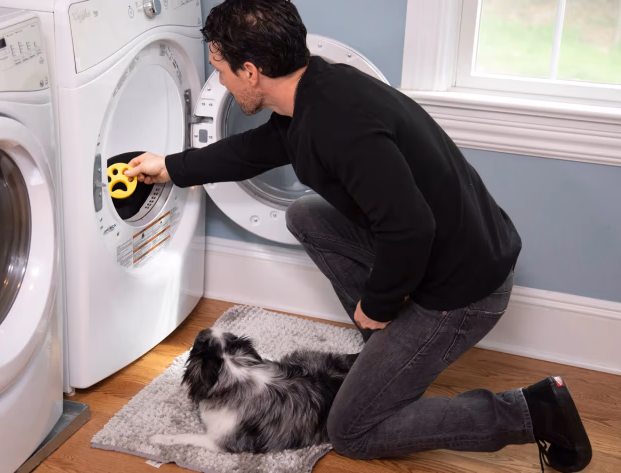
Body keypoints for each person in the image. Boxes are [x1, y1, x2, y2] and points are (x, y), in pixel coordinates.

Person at [125, 0, 592, 470]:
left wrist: (378, 306)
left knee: (351, 430)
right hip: (458, 248)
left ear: (251, 72)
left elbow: (411, 228)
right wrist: (170, 166)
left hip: (463, 290)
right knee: (307, 215)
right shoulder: (316, 90)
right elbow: (255, 149)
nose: (220, 80)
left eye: (221, 69)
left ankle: (531, 411)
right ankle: (387, 355)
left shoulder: (339, 127)